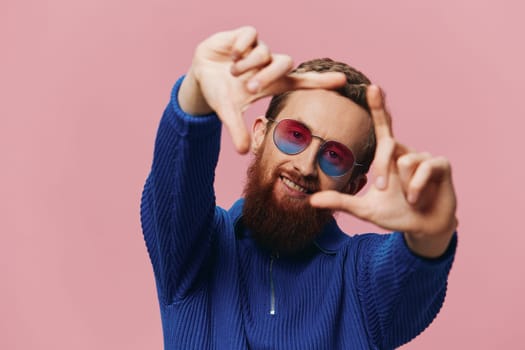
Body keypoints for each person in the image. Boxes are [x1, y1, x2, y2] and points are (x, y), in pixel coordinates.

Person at [140, 26, 458, 350]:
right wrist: (197, 97)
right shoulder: (195, 247)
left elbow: (409, 274)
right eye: (295, 135)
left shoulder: (361, 280)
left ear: (353, 185)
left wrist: (429, 234)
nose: (306, 167)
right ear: (261, 135)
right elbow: (177, 189)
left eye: (334, 156)